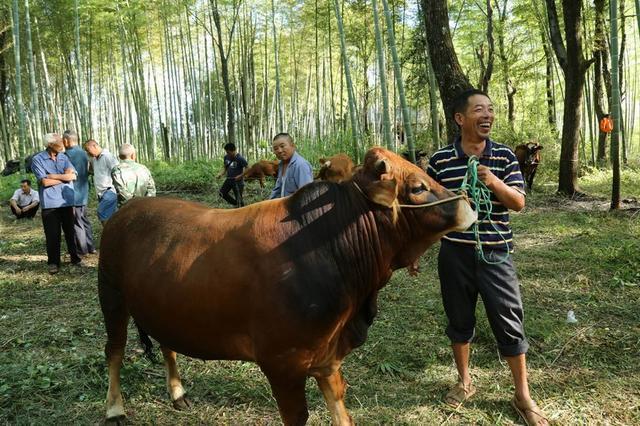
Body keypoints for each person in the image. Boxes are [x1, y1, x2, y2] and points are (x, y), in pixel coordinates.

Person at [426, 89, 548, 426]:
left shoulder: (505, 157)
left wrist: (492, 181)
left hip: (496, 255)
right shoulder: (440, 161)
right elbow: (430, 211)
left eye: (491, 110)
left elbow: (518, 203)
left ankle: (522, 395)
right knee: (459, 319)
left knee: (509, 320)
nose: (488, 115)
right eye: (479, 109)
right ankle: (465, 382)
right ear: (460, 118)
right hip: (454, 254)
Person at [30, 133, 81, 274]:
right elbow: (45, 182)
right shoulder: (37, 159)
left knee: (70, 231)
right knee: (53, 234)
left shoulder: (64, 157)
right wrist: (65, 178)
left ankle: (75, 258)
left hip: (67, 200)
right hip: (50, 203)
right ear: (50, 144)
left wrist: (53, 176)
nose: (63, 143)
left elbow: (73, 176)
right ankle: (53, 263)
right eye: (59, 141)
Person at [63, 130, 96, 256]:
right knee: (84, 219)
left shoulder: (67, 154)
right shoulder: (84, 153)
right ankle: (90, 246)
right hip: (83, 192)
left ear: (66, 140)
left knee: (77, 222)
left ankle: (82, 249)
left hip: (73, 193)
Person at [269, 133, 313, 199]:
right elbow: (278, 190)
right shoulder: (281, 165)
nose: (279, 151)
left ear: (293, 146)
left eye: (282, 146)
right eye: (276, 149)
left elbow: (307, 195)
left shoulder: (301, 165)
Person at [84, 139, 118, 223]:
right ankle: (115, 234)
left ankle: (108, 235)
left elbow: (117, 171)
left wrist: (119, 189)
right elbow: (92, 170)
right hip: (100, 193)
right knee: (113, 216)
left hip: (109, 191)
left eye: (88, 150)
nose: (88, 153)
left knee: (101, 213)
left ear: (94, 146)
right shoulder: (94, 159)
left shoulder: (107, 156)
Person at [111, 143, 156, 207]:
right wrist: (147, 204)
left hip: (127, 209)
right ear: (133, 155)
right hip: (146, 207)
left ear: (120, 157)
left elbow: (121, 191)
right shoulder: (144, 168)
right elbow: (151, 189)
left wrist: (134, 205)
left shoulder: (117, 170)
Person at [216, 142, 248, 207]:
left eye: (229, 152)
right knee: (222, 193)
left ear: (234, 150)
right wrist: (220, 174)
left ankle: (241, 209)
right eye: (226, 152)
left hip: (238, 182)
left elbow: (248, 168)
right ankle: (235, 203)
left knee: (239, 199)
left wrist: (241, 176)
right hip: (229, 179)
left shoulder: (240, 158)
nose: (227, 154)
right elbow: (225, 167)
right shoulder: (226, 157)